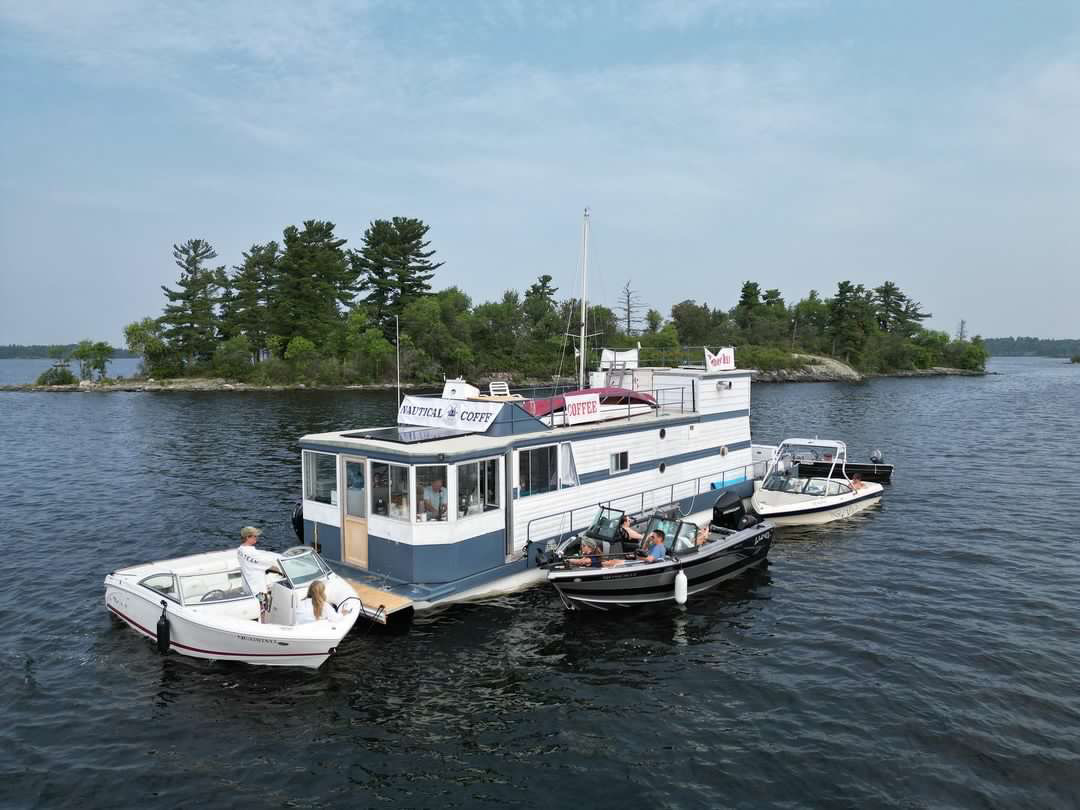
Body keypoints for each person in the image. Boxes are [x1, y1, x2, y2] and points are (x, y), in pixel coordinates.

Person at [236, 526, 280, 597]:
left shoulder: (240, 550)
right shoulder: (253, 553)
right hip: (258, 590)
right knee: (263, 607)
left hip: (247, 586)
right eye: (255, 536)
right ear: (248, 537)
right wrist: (281, 569)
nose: (257, 538)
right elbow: (271, 565)